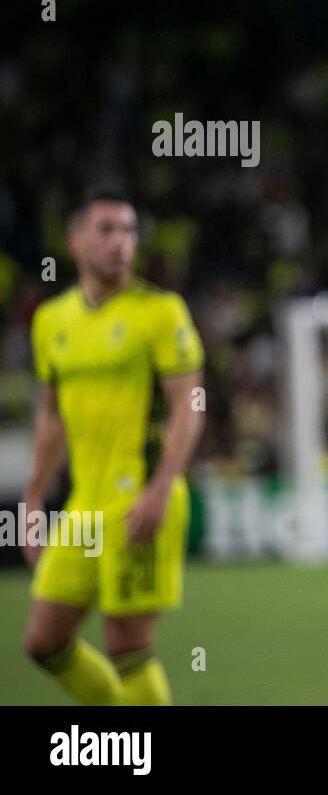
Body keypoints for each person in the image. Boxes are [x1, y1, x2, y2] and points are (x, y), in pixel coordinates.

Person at [23, 189, 206, 705]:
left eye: (128, 230)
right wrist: (34, 496)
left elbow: (190, 404)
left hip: (142, 498)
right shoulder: (52, 322)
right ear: (74, 240)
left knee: (128, 645)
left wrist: (161, 487)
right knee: (43, 641)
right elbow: (52, 414)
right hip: (85, 506)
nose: (121, 242)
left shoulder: (160, 312)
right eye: (106, 230)